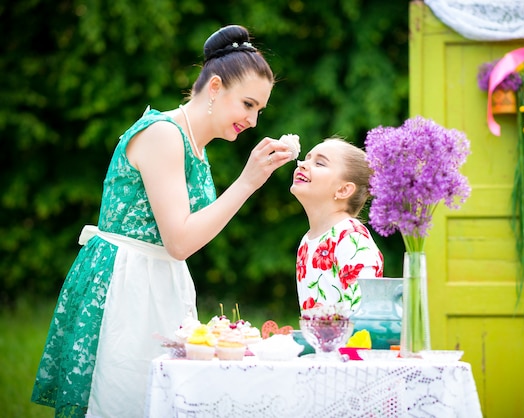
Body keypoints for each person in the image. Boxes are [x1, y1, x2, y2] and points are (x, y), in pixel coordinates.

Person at [31, 25, 292, 417]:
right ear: (216, 87)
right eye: (248, 104)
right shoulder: (164, 134)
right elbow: (180, 241)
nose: (253, 121)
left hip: (159, 281)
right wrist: (247, 182)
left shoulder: (195, 144)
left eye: (259, 111)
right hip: (125, 286)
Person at [290, 138, 384, 315]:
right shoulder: (308, 240)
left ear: (343, 190)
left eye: (319, 163)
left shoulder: (352, 238)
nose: (302, 164)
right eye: (306, 158)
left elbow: (364, 313)